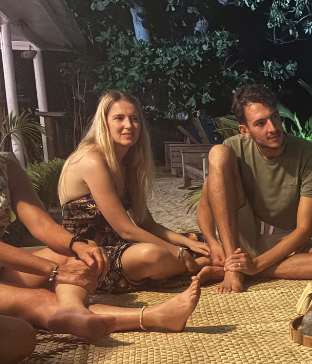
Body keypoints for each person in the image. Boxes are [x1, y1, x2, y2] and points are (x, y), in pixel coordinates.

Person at [0, 148, 202, 349]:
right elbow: (127, 229)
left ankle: (71, 308)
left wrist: (77, 245)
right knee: (40, 302)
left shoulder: (7, 165)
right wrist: (53, 270)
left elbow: (42, 225)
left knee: (84, 251)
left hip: (4, 270)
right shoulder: (92, 160)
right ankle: (155, 316)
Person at [196, 84, 312, 294]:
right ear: (245, 131)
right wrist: (213, 243)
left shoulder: (308, 154)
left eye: (275, 117)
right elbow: (206, 203)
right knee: (218, 153)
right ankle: (235, 263)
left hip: (285, 242)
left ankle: (240, 270)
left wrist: (257, 265)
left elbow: (304, 230)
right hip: (240, 238)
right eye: (260, 123)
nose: (273, 128)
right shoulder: (233, 148)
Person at [58, 91, 211, 295]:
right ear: (104, 123)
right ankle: (200, 269)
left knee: (202, 241)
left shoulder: (126, 164)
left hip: (123, 247)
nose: (129, 125)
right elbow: (127, 230)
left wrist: (188, 243)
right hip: (91, 255)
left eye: (135, 119)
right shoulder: (92, 159)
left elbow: (146, 223)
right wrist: (179, 253)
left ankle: (192, 267)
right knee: (153, 255)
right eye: (119, 118)